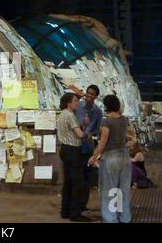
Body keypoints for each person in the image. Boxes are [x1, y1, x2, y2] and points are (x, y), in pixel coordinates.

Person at [88, 94, 131, 223]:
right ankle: (124, 218)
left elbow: (103, 142)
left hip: (111, 158)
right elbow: (126, 137)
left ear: (106, 106)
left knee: (110, 190)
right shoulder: (124, 119)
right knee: (123, 190)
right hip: (124, 157)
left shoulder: (106, 121)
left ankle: (111, 219)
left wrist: (94, 156)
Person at [57, 93, 93, 222]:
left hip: (65, 149)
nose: (78, 103)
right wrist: (87, 133)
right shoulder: (70, 115)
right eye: (76, 101)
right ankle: (75, 213)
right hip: (73, 150)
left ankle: (65, 211)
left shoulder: (62, 114)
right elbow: (79, 135)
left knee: (68, 182)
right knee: (78, 182)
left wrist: (82, 124)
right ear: (68, 103)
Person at [77, 84, 103, 211]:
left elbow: (98, 130)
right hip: (75, 145)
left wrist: (90, 133)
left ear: (96, 97)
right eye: (88, 93)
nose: (89, 96)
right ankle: (74, 204)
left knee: (86, 177)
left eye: (92, 94)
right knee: (76, 177)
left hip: (87, 147)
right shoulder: (77, 107)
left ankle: (82, 205)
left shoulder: (98, 112)